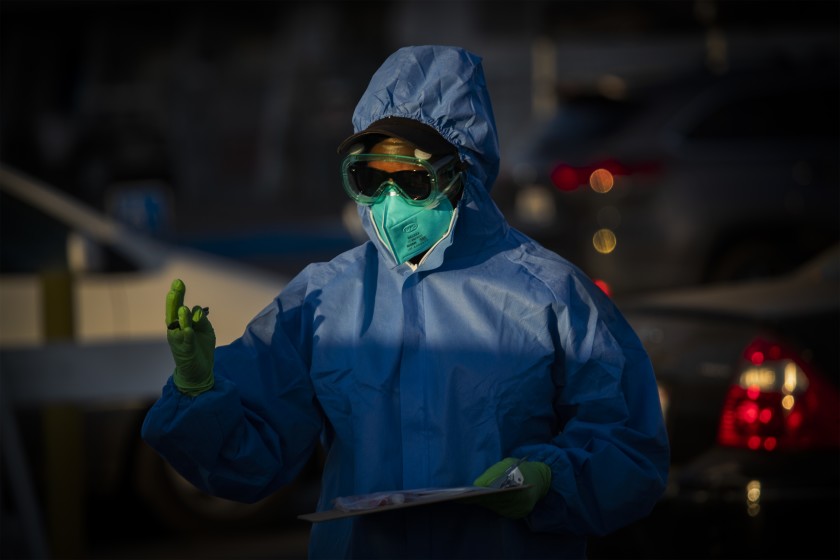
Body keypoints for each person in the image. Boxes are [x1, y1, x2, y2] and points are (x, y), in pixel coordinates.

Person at [142, 45, 669, 559]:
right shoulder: (323, 300)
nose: (389, 202)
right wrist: (198, 392)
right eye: (371, 178)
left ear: (461, 174)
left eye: (412, 181)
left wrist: (551, 478)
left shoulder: (552, 296)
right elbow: (249, 462)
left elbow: (629, 446)